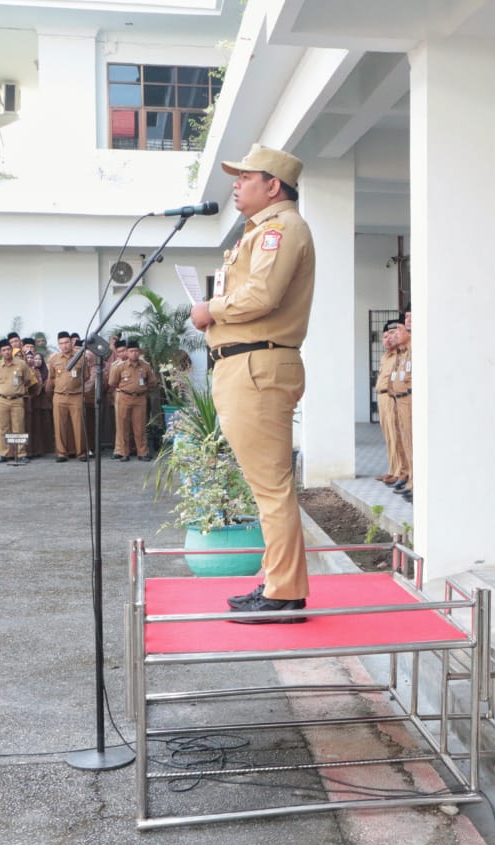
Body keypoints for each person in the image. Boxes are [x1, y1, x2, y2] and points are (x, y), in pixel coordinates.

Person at [190, 143, 315, 623]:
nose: (236, 184)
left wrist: (210, 311)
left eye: (246, 176)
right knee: (267, 486)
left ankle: (284, 593)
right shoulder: (262, 231)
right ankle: (277, 580)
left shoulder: (281, 229)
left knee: (271, 487)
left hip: (256, 367)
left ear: (273, 185)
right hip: (245, 364)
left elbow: (262, 294)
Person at [107, 340, 157, 461]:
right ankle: (124, 453)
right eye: (131, 351)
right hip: (124, 397)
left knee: (140, 426)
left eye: (136, 351)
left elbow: (152, 382)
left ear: (139, 352)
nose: (134, 353)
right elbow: (112, 382)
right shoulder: (120, 367)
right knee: (123, 426)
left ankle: (142, 452)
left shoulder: (145, 366)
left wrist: (141, 388)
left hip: (140, 398)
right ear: (127, 353)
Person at [0, 340, 39, 464]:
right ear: (0, 352)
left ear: (11, 350)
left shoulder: (21, 364)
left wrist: (18, 390)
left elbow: (28, 381)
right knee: (2, 428)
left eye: (8, 349)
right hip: (2, 400)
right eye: (4, 350)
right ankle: (3, 453)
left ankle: (21, 453)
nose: (7, 352)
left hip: (17, 399)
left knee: (19, 427)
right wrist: (2, 394)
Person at [46, 331, 88, 462]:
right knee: (60, 426)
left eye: (66, 342)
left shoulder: (81, 358)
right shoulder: (54, 359)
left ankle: (81, 453)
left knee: (79, 425)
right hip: (59, 396)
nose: (64, 346)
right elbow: (51, 378)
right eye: (61, 343)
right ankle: (61, 453)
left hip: (76, 396)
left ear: (71, 343)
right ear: (58, 344)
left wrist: (74, 385)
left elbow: (86, 376)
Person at [374, 319, 406, 484]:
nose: (387, 339)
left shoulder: (401, 354)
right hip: (381, 397)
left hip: (391, 397)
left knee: (396, 434)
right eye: (384, 336)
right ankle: (393, 469)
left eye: (391, 335)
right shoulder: (386, 356)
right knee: (388, 435)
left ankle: (400, 472)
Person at [387, 316, 414, 501]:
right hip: (398, 399)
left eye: (398, 330)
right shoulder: (403, 353)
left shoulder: (413, 350)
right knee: (403, 440)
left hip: (408, 399)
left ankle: (412, 480)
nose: (395, 335)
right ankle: (408, 476)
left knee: (411, 441)